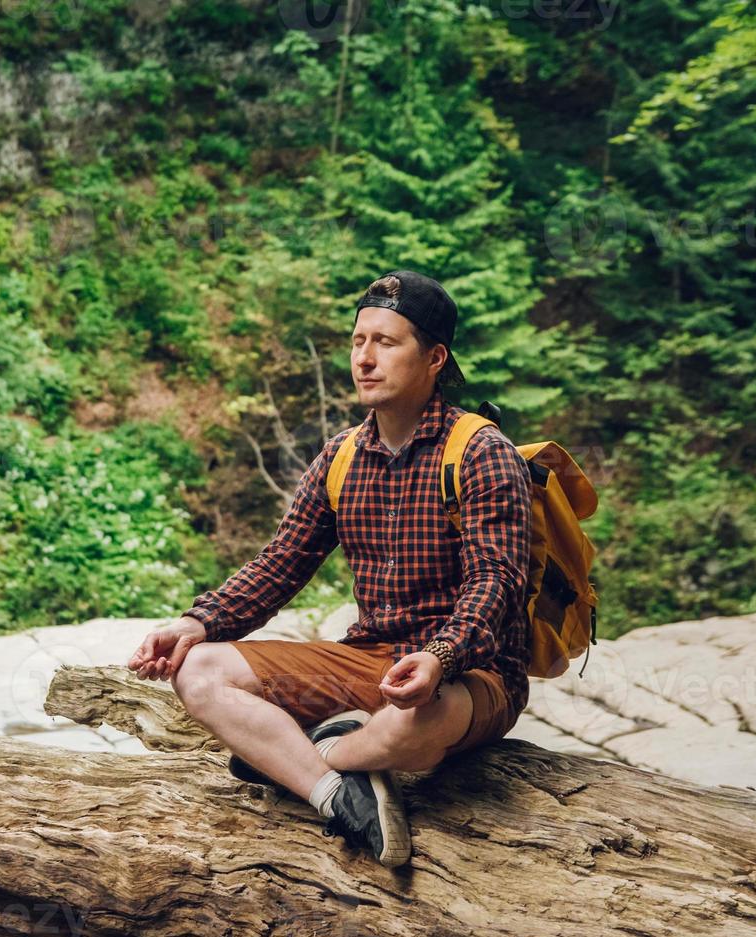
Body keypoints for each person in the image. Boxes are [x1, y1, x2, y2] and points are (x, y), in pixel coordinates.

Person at [126, 270, 533, 868]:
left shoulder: (480, 452)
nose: (364, 359)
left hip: (473, 675)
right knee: (200, 672)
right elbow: (281, 563)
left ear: (434, 358)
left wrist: (442, 656)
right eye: (358, 341)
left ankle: (319, 752)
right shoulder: (341, 455)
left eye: (386, 343)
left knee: (405, 731)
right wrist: (196, 624)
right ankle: (336, 795)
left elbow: (496, 580)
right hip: (370, 660)